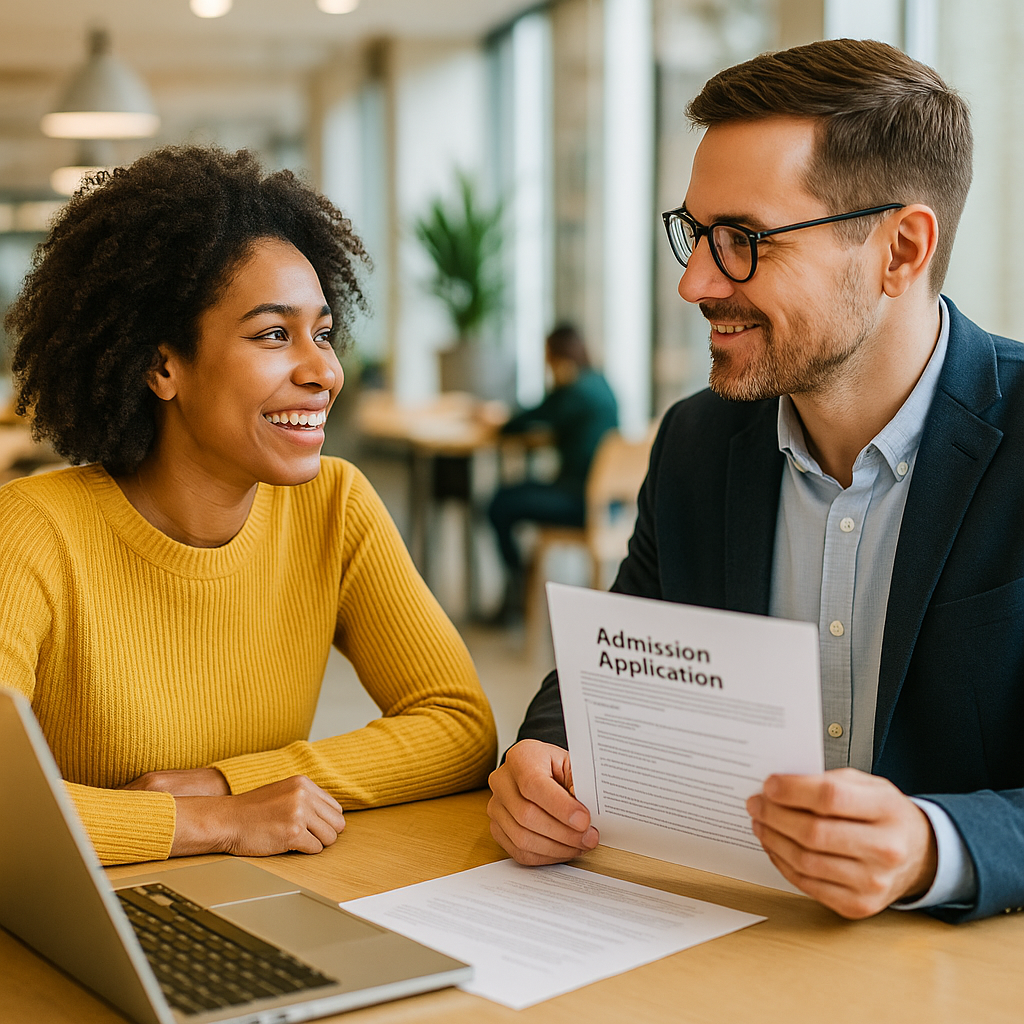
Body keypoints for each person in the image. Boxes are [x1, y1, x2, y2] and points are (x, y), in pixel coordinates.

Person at [487, 38, 1024, 923]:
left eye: (743, 241)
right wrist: (540, 756)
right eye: (695, 234)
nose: (696, 281)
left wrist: (933, 846)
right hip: (726, 949)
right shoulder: (699, 442)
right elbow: (619, 654)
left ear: (899, 249)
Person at [0, 146, 497, 866]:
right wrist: (217, 821)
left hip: (251, 902)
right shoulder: (34, 530)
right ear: (162, 365)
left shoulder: (336, 504)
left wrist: (235, 783)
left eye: (323, 333)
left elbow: (458, 726)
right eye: (273, 335)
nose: (325, 371)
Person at [487, 324, 618, 620]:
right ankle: (521, 587)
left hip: (579, 502)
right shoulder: (602, 383)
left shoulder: (571, 391)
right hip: (609, 504)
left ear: (557, 357)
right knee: (524, 490)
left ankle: (517, 589)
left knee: (501, 502)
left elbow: (520, 422)